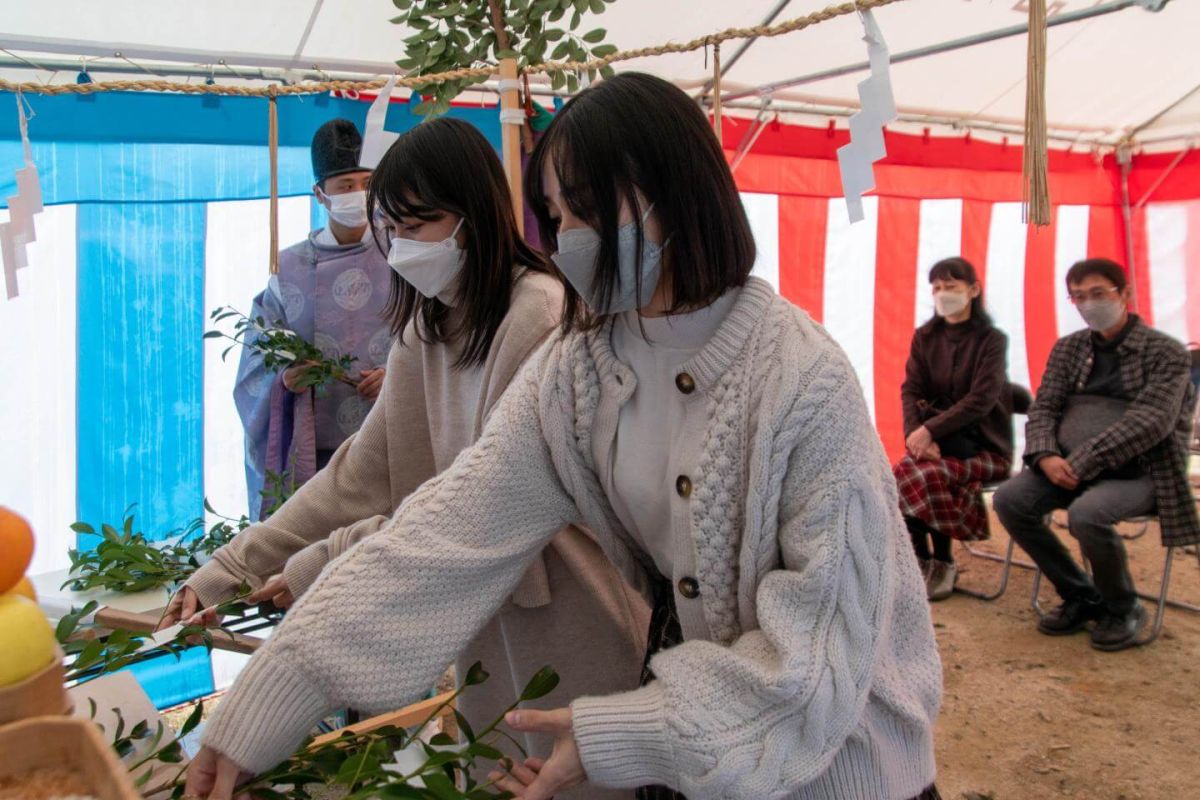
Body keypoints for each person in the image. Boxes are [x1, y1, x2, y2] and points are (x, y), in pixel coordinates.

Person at [184, 73, 942, 800]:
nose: (569, 239)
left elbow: (817, 668)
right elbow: (449, 529)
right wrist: (273, 697)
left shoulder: (804, 382)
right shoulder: (581, 366)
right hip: (690, 757)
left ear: (677, 195)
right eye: (557, 216)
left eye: (587, 209)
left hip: (843, 770)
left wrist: (623, 729)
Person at [165, 118, 649, 798]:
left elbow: (470, 512)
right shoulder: (428, 322)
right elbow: (358, 477)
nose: (399, 247)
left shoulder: (536, 316)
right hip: (482, 617)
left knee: (577, 781)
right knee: (496, 768)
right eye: (390, 228)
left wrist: (323, 564)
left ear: (475, 216)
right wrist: (229, 568)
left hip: (569, 612)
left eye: (419, 225)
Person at [994, 258, 1198, 651]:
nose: (1090, 304)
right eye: (1079, 297)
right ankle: (1080, 594)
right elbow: (1045, 408)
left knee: (1087, 514)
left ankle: (1123, 608)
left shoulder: (1166, 353)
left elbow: (1150, 422)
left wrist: (1082, 461)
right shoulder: (1069, 348)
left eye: (1099, 294)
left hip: (1141, 472)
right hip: (1063, 466)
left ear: (1125, 294)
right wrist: (1045, 455)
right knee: (1009, 500)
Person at [234, 118, 392, 520]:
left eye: (366, 182)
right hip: (317, 455)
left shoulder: (402, 252)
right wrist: (284, 378)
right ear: (320, 195)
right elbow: (256, 358)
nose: (358, 194)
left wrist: (399, 375)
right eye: (345, 186)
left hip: (393, 443)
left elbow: (435, 337)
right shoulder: (288, 269)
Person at [894, 257, 1012, 601]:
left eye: (952, 286)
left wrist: (929, 430)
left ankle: (944, 562)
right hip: (935, 445)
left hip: (983, 448)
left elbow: (982, 399)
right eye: (937, 288)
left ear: (973, 290)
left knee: (927, 477)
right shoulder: (925, 337)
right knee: (898, 475)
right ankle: (921, 558)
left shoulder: (991, 340)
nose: (943, 294)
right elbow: (910, 389)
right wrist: (914, 435)